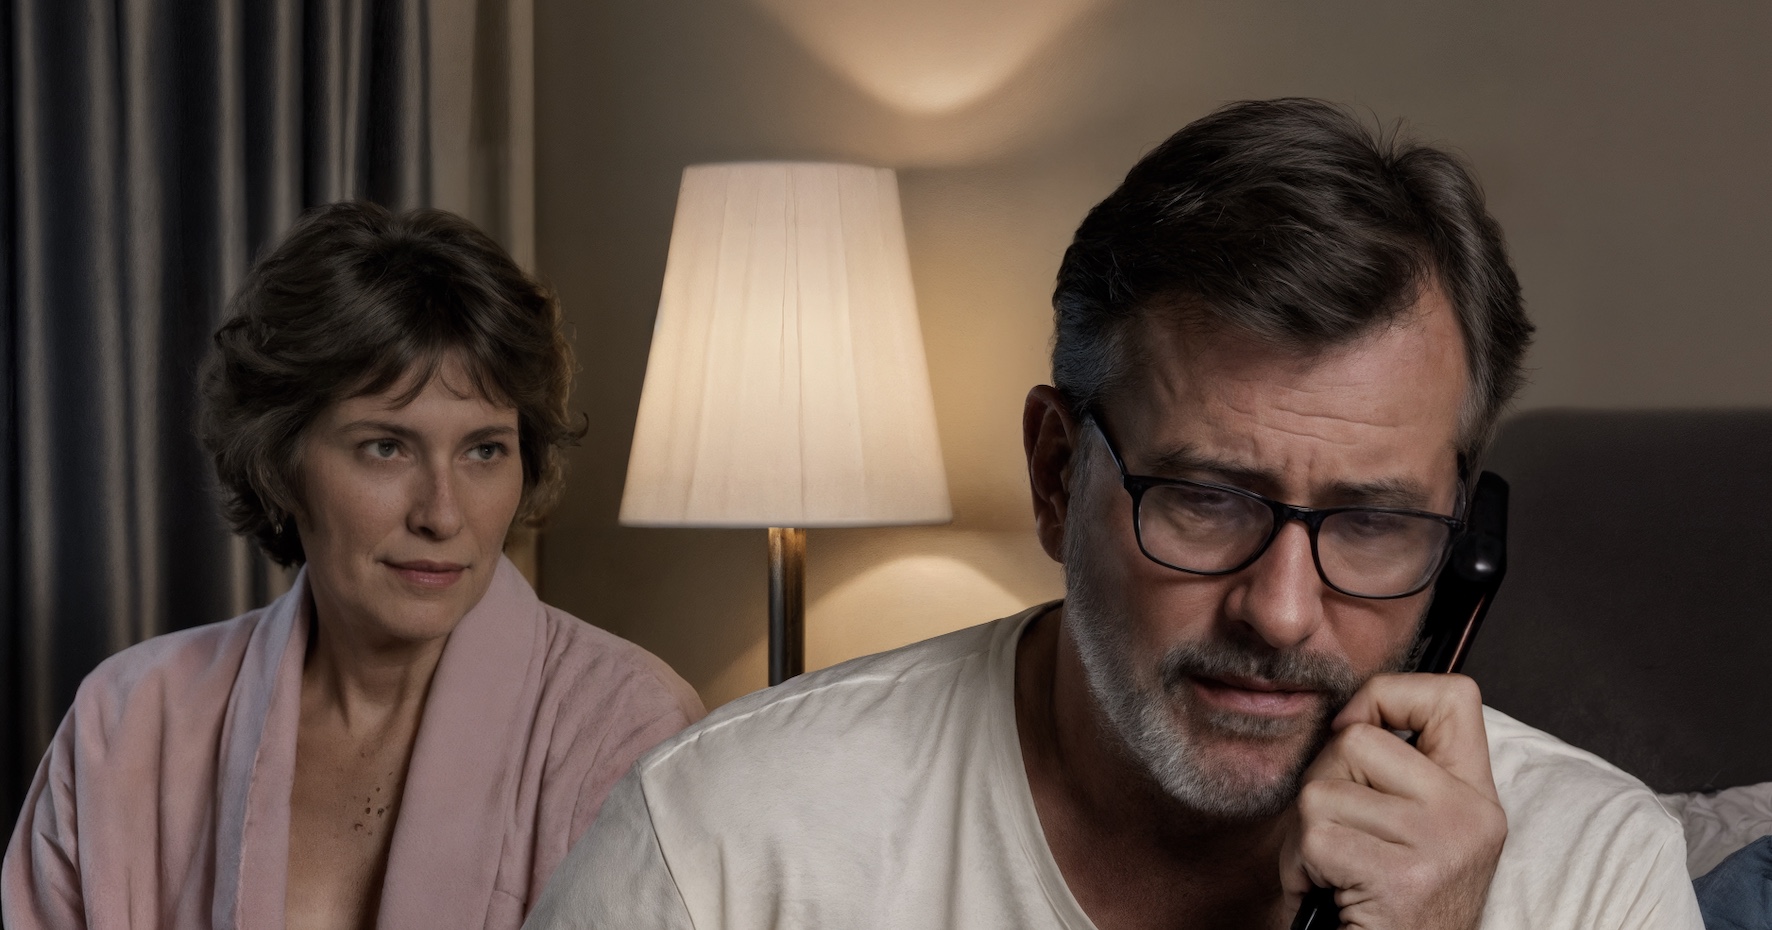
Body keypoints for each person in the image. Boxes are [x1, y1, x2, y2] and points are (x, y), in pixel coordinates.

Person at [526, 99, 1701, 929]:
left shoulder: (1590, 874)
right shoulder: (724, 841)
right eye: (1205, 500)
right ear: (1055, 475)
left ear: (1461, 539)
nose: (1280, 613)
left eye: (1368, 522)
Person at [1, 202, 705, 929]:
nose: (442, 514)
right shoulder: (126, 722)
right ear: (278, 462)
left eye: (484, 450)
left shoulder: (628, 729)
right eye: (386, 447)